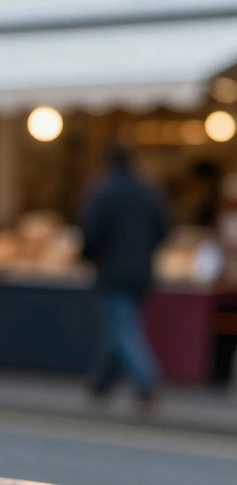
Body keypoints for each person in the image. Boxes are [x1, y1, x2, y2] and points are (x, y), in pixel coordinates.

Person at [80, 145, 171, 408]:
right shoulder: (147, 191)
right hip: (142, 271)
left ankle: (147, 381)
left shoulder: (103, 192)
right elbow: (164, 228)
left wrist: (91, 256)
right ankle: (101, 384)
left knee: (122, 328)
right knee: (119, 326)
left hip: (113, 272)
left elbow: (90, 235)